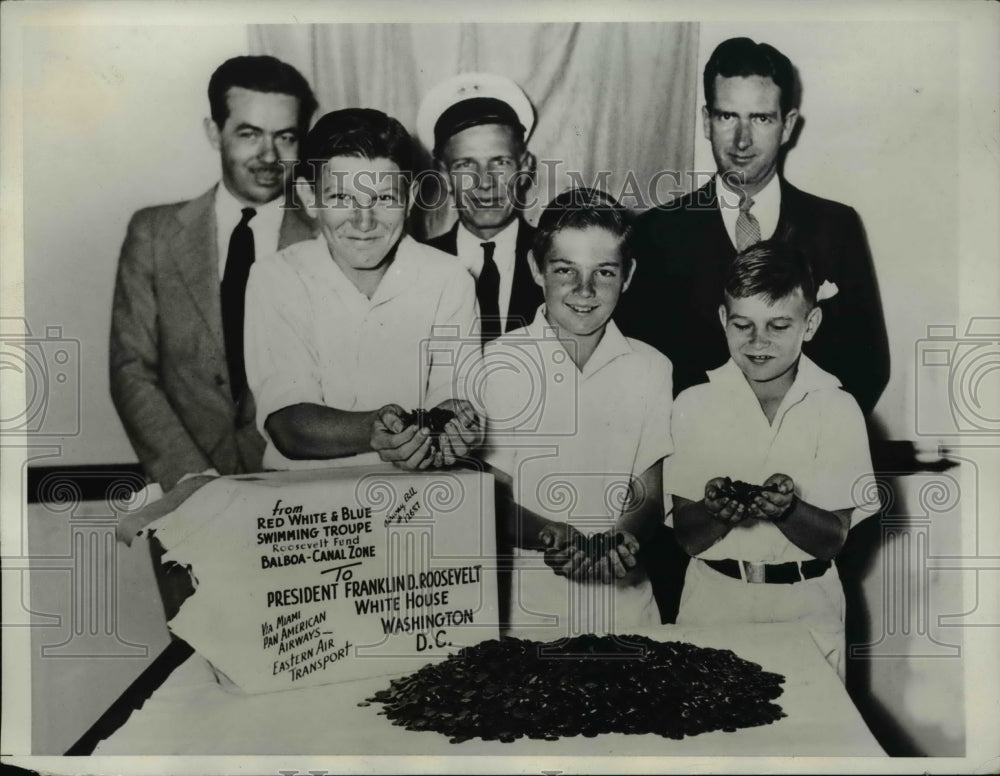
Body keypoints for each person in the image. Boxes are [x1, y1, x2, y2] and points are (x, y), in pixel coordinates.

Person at [617, 37, 889, 417]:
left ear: (788, 125)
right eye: (727, 116)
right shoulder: (655, 234)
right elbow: (639, 371)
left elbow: (868, 365)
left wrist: (802, 447)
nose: (742, 140)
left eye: (761, 118)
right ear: (706, 122)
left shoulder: (836, 228)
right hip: (691, 460)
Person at [664, 241, 879, 679]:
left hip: (807, 607)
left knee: (808, 741)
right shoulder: (693, 404)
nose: (757, 342)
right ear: (723, 320)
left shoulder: (837, 408)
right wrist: (716, 511)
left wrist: (789, 509)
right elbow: (688, 537)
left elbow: (832, 539)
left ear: (810, 323)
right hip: (713, 605)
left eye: (778, 325)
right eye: (743, 324)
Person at [110, 55, 318, 491]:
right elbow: (132, 372)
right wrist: (191, 482)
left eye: (285, 137)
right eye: (249, 134)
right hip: (184, 491)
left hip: (301, 499)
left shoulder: (326, 240)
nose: (268, 156)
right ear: (214, 132)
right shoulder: (154, 234)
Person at [476, 188, 674, 640]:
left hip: (627, 610)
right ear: (535, 268)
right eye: (565, 270)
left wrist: (621, 539)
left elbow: (648, 491)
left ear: (628, 276)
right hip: (526, 615)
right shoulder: (497, 362)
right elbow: (491, 501)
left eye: (604, 272)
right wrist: (553, 535)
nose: (584, 291)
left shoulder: (652, 367)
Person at [244, 108, 482, 472]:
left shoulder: (449, 279)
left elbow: (456, 401)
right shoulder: (276, 278)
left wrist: (457, 427)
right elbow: (288, 426)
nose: (364, 221)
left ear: (411, 195)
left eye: (384, 199)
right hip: (304, 508)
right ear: (309, 197)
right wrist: (377, 428)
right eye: (341, 198)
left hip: (416, 500)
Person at [416, 72, 544, 344]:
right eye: (465, 165)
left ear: (524, 167)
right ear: (444, 176)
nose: (485, 182)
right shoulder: (415, 267)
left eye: (500, 162)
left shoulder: (557, 260)